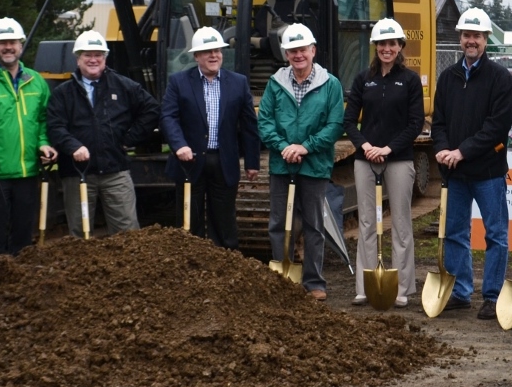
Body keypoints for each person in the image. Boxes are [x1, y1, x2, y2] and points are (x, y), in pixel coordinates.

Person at [431, 7, 512, 319]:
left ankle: (492, 296)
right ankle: (460, 292)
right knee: (454, 232)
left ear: (486, 39)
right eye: (467, 35)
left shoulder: (500, 79)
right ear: (460, 38)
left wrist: (461, 151)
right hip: (455, 173)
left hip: (488, 172)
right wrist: (441, 148)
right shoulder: (448, 77)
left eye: (477, 36)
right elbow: (438, 121)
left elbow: (496, 127)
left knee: (495, 234)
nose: (471, 40)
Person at [258, 23, 344, 301]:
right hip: (282, 164)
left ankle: (314, 282)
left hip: (314, 165)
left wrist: (305, 147)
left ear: (313, 50)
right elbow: (265, 122)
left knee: (313, 225)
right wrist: (284, 147)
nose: (298, 55)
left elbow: (334, 126)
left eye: (302, 50)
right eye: (292, 50)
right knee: (278, 223)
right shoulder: (275, 84)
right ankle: (281, 277)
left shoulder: (330, 85)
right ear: (286, 54)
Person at [343, 18, 425, 308]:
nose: (386, 48)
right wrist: (365, 146)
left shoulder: (411, 80)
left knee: (401, 221)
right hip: (365, 160)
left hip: (399, 159)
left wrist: (388, 148)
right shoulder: (363, 78)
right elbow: (349, 120)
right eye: (382, 43)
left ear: (400, 46)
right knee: (367, 221)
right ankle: (366, 287)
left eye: (392, 43)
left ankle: (402, 287)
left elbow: (416, 123)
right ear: (375, 46)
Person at [47, 30, 160, 238]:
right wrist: (73, 146)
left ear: (105, 58)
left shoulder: (123, 85)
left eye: (98, 55)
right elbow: (55, 127)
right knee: (80, 233)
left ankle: (126, 270)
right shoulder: (63, 93)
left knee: (127, 232)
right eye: (87, 55)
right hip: (77, 173)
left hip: (115, 170)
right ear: (78, 58)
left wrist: (129, 139)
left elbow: (152, 109)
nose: (93, 60)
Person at [160, 27, 260, 248]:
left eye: (217, 50)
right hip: (189, 162)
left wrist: (252, 162)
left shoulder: (238, 82)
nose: (214, 55)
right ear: (196, 56)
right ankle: (190, 266)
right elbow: (168, 117)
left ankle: (225, 268)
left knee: (224, 223)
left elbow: (249, 125)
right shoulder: (179, 82)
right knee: (189, 221)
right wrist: (179, 146)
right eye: (207, 52)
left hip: (223, 162)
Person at [0, 17, 57, 255]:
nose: (8, 47)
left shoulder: (36, 81)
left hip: (28, 172)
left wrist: (44, 143)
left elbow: (43, 120)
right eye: (2, 42)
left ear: (21, 45)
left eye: (13, 42)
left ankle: (21, 288)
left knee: (23, 238)